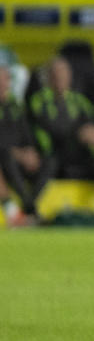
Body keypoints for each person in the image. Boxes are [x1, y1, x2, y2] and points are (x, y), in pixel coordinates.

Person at [29, 57, 94, 226]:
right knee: (51, 162)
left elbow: (91, 124)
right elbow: (50, 128)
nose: (61, 78)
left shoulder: (80, 102)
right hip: (54, 151)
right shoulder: (40, 100)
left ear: (70, 77)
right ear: (49, 78)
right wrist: (78, 133)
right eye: (57, 74)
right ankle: (28, 209)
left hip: (77, 153)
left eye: (64, 74)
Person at [0, 65, 42, 226]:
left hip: (12, 159)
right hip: (6, 157)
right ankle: (22, 210)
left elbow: (27, 134)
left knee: (50, 160)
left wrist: (30, 150)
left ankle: (21, 210)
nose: (2, 85)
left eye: (4, 81)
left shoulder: (15, 107)